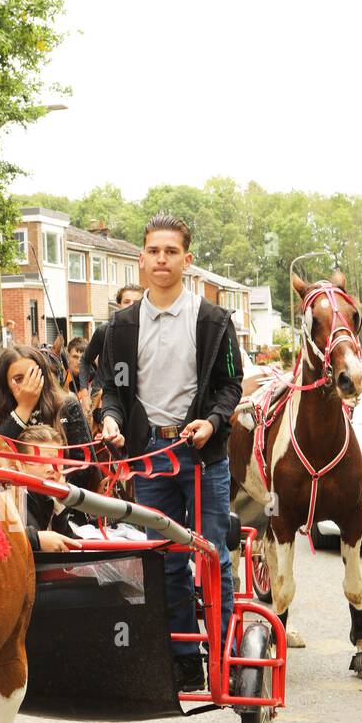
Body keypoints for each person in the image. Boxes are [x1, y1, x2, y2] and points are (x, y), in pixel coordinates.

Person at [99, 215, 243, 692]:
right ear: (141, 259)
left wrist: (213, 422)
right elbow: (114, 390)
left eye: (171, 251)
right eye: (153, 251)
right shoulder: (120, 325)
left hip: (202, 454)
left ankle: (221, 652)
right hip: (150, 456)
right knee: (164, 557)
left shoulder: (214, 321)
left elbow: (230, 385)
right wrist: (113, 421)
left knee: (213, 554)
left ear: (187, 259)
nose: (161, 259)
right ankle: (183, 657)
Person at [0, 344, 98, 489]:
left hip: (61, 502)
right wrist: (24, 408)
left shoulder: (67, 407)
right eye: (19, 379)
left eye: (33, 375)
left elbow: (85, 466)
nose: (28, 384)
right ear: (5, 384)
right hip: (12, 503)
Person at [17, 425, 83, 553]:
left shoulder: (51, 500)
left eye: (56, 462)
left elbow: (70, 540)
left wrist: (61, 503)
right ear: (20, 465)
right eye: (41, 461)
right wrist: (36, 539)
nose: (51, 468)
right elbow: (0, 539)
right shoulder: (4, 495)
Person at [80, 283, 144, 391]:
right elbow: (85, 360)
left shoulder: (149, 334)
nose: (132, 306)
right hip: (101, 398)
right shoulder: (104, 331)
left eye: (137, 303)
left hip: (133, 397)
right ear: (118, 305)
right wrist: (84, 391)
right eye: (127, 302)